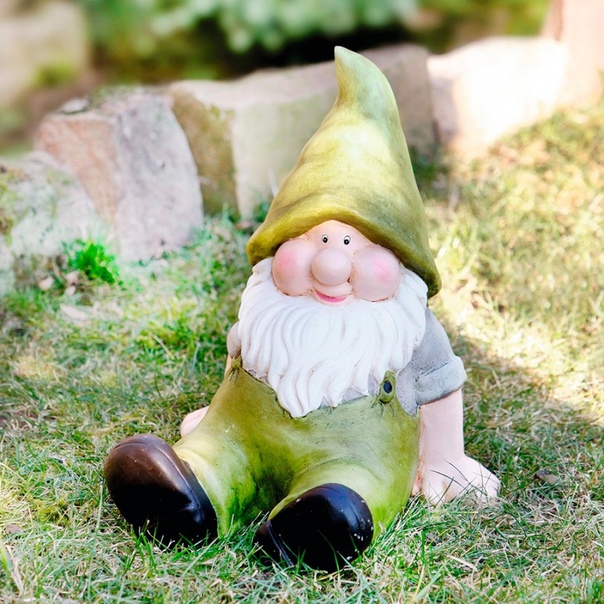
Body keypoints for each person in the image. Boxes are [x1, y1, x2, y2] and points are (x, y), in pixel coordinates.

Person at [104, 47, 499, 572]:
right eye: (317, 239)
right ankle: (192, 486)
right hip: (240, 432)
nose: (331, 267)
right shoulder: (271, 306)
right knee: (217, 453)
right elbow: (241, 360)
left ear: (400, 260)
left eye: (357, 246)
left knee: (350, 489)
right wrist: (210, 419)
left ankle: (321, 521)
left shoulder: (408, 330)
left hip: (356, 455)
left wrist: (445, 460)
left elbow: (440, 386)